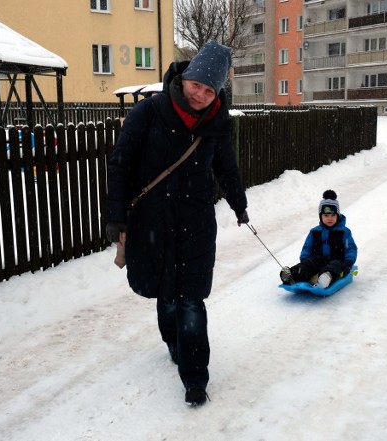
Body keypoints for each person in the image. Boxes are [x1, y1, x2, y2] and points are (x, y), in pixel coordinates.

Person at [105, 40, 249, 407]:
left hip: (196, 222)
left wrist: (239, 204)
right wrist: (116, 216)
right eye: (196, 84)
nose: (200, 94)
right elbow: (120, 163)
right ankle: (172, 341)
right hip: (152, 220)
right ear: (184, 78)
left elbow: (226, 167)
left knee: (192, 300)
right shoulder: (148, 113)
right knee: (166, 296)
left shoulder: (217, 123)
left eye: (209, 89)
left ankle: (195, 378)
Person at [280, 190, 357, 288]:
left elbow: (351, 248)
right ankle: (292, 274)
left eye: (333, 215)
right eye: (326, 215)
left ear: (338, 215)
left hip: (337, 259)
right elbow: (307, 247)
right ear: (320, 216)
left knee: (334, 266)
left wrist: (349, 262)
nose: (330, 218)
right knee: (308, 264)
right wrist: (304, 259)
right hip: (318, 259)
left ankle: (326, 279)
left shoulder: (344, 232)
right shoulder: (314, 231)